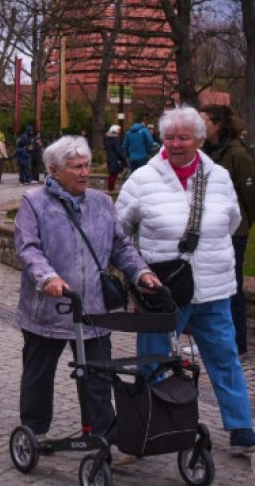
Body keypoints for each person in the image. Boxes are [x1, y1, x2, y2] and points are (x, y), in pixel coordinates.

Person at [116, 105, 255, 456]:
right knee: (153, 361)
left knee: (224, 358)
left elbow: (232, 220)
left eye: (184, 137)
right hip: (163, 293)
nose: (176, 144)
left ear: (199, 139)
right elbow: (119, 231)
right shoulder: (143, 179)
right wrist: (138, 273)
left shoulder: (219, 177)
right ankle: (149, 426)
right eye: (169, 137)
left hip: (213, 289)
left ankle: (242, 428)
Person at [15, 135, 160, 463]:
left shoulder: (101, 203)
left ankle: (102, 434)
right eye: (76, 167)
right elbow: (28, 248)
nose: (85, 172)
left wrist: (141, 273)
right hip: (48, 309)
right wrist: (48, 277)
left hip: (92, 309)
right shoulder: (34, 201)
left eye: (87, 165)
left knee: (97, 374)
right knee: (39, 374)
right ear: (54, 170)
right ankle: (34, 429)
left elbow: (120, 246)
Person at [199, 104, 255, 355]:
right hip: (209, 230)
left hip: (234, 231)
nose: (200, 126)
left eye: (205, 121)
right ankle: (215, 339)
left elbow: (250, 195)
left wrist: (243, 224)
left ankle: (237, 343)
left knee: (231, 286)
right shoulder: (206, 152)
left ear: (219, 124)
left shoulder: (236, 155)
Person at [104, 124, 124, 192]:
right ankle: (111, 189)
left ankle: (110, 188)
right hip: (115, 159)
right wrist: (122, 158)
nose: (119, 132)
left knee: (111, 174)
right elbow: (118, 150)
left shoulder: (108, 139)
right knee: (114, 174)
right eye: (118, 130)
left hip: (110, 158)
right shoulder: (115, 139)